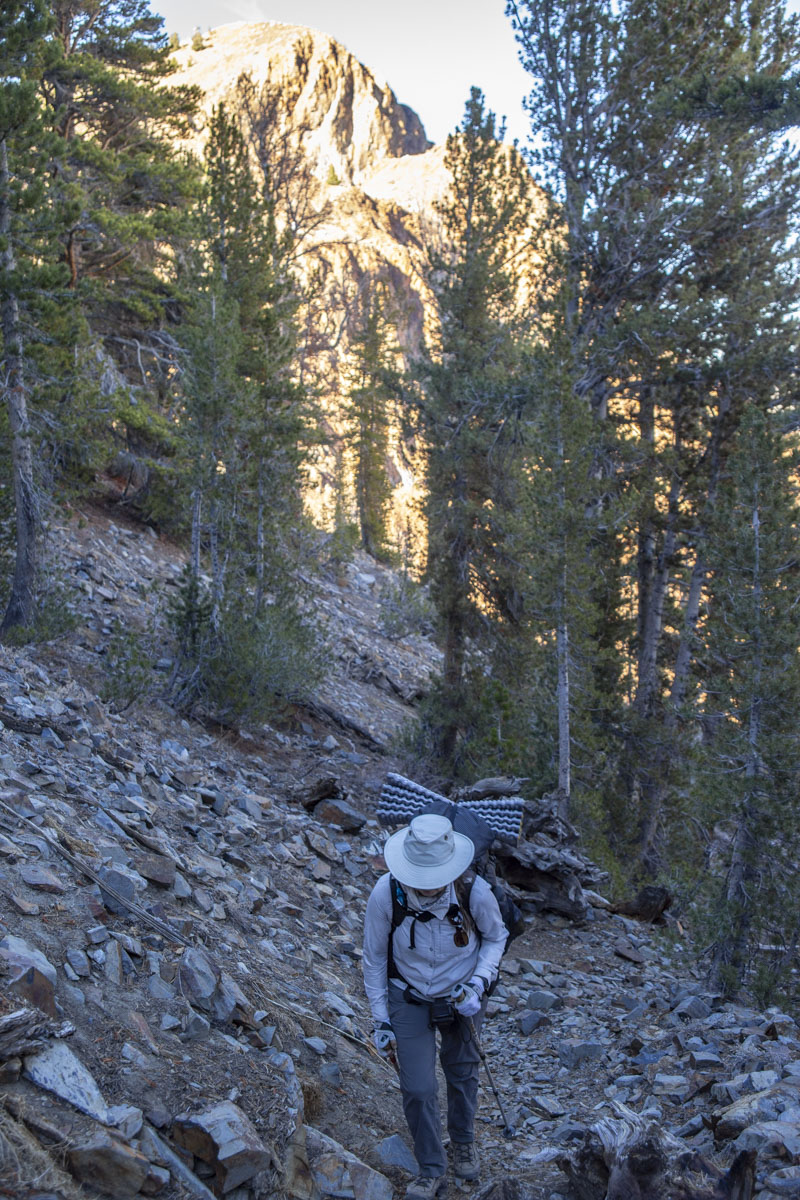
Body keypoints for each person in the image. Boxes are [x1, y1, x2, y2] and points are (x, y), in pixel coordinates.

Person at [363, 813, 507, 1199]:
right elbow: (374, 957)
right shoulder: (385, 894)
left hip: (463, 996)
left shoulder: (474, 892)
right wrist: (381, 1020)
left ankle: (463, 1141)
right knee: (418, 1088)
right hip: (408, 994)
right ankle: (430, 1167)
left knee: (462, 1072)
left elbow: (496, 937)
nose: (426, 885)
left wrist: (478, 984)